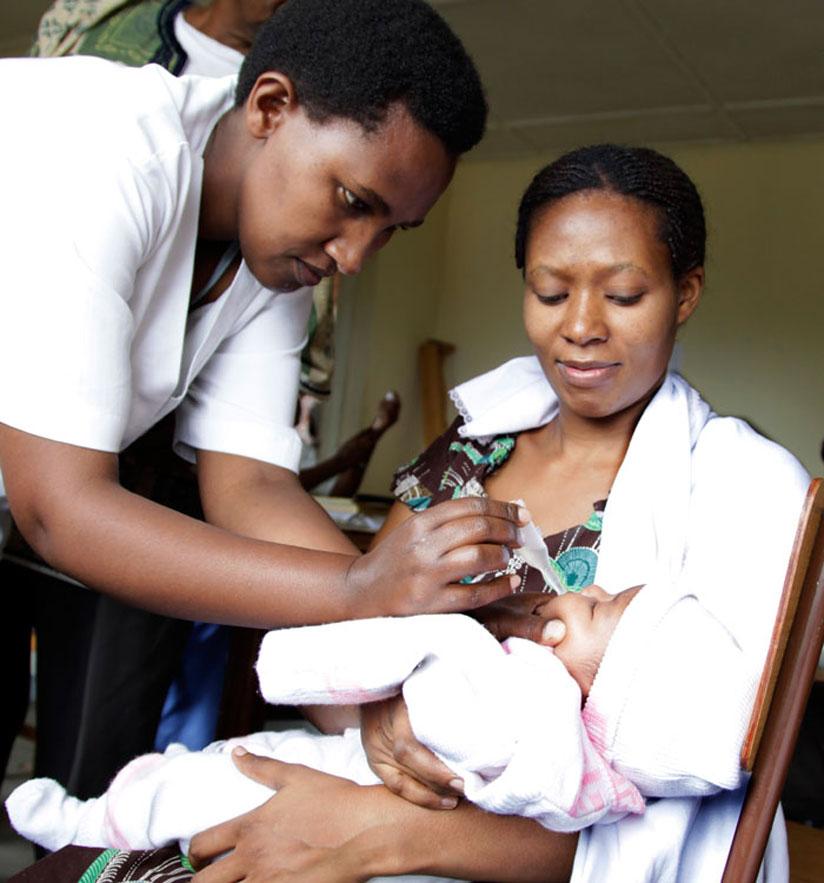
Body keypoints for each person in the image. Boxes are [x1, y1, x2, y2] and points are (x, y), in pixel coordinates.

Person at [166, 144, 804, 882]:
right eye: (550, 291)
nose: (582, 326)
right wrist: (380, 716)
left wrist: (382, 832)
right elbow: (360, 636)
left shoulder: (740, 486)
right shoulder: (471, 453)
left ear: (685, 293)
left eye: (624, 295)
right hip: (392, 791)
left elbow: (706, 763)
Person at [0, 0, 526, 794]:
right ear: (270, 108)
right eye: (354, 201)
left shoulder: (273, 252)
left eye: (392, 230)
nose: (356, 256)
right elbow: (60, 507)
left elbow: (249, 485)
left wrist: (394, 700)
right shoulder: (108, 149)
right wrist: (359, 590)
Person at [7, 585, 647, 859]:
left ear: (603, 693)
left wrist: (456, 642)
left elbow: (421, 665)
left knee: (217, 789)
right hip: (346, 757)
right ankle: (156, 782)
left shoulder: (536, 708)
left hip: (365, 793)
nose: (588, 592)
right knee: (240, 755)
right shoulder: (571, 749)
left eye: (601, 609)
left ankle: (91, 826)